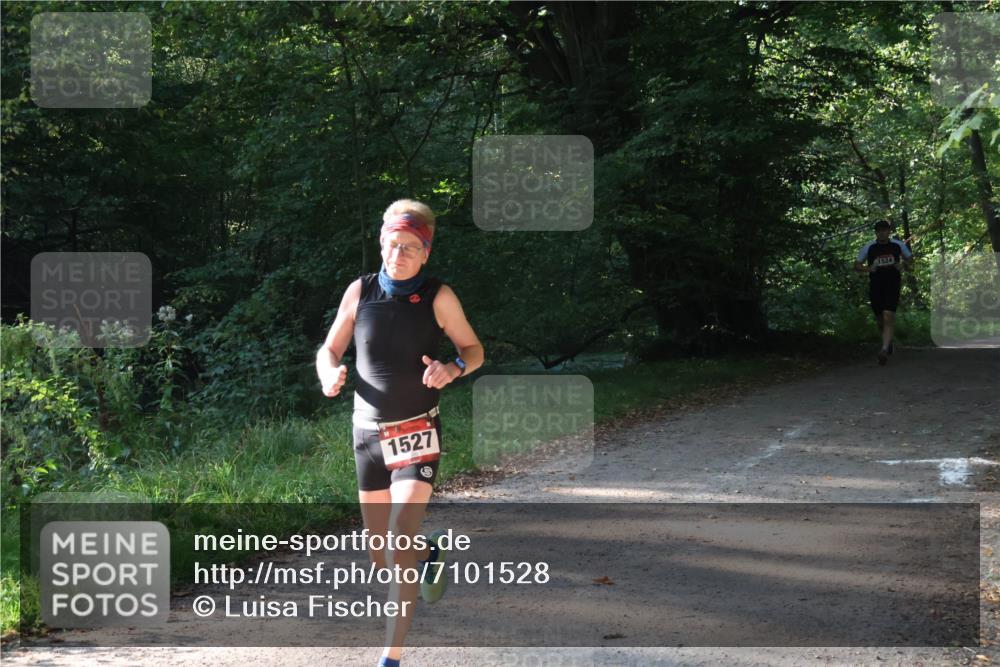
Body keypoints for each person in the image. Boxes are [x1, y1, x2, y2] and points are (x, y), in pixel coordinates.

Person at [315, 199, 484, 667]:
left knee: (398, 535)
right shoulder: (360, 291)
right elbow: (329, 348)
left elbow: (473, 349)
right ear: (382, 243)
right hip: (366, 435)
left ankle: (391, 657)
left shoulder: (438, 296)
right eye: (393, 243)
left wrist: (453, 368)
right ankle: (429, 551)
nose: (400, 253)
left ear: (426, 251)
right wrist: (328, 374)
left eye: (411, 246)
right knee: (381, 553)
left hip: (417, 432)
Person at [854, 220, 913, 365]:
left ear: (889, 231)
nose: (882, 233)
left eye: (885, 230)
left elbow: (910, 259)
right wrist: (868, 269)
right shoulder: (869, 247)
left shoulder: (898, 245)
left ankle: (884, 350)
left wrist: (903, 265)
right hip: (876, 286)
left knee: (888, 315)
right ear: (876, 232)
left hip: (892, 285)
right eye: (879, 230)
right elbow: (856, 265)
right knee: (880, 319)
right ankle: (888, 342)